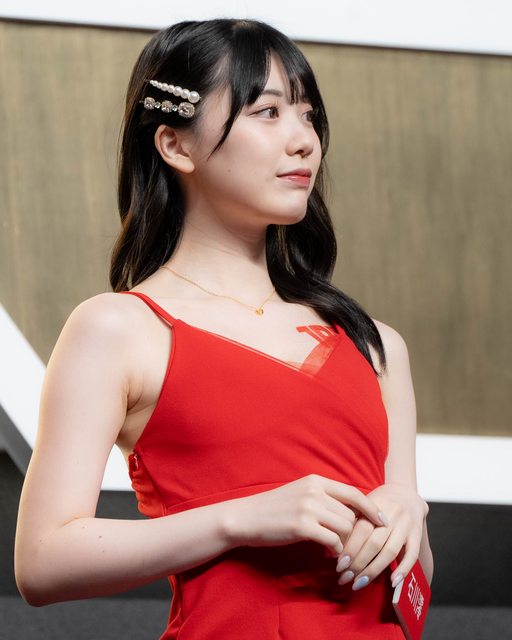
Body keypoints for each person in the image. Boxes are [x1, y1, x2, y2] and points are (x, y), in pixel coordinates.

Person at [15, 17, 433, 639]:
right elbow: (42, 562)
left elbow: (414, 586)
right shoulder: (118, 329)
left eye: (308, 115)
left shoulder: (375, 344)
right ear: (176, 145)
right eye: (268, 112)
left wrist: (408, 513)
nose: (304, 140)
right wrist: (240, 519)